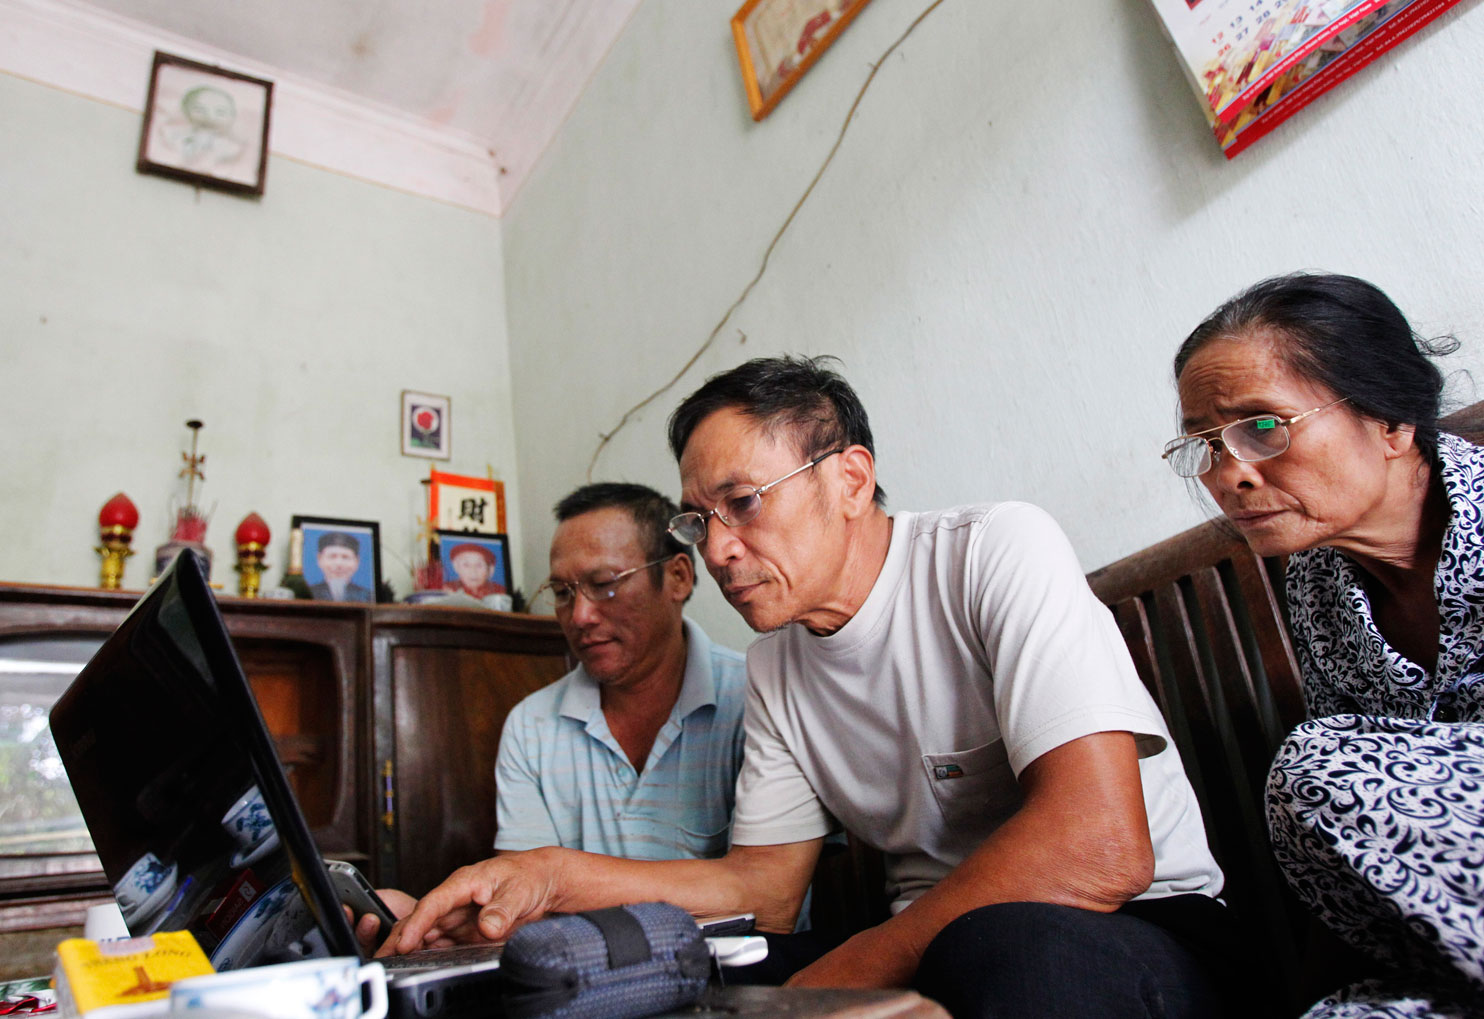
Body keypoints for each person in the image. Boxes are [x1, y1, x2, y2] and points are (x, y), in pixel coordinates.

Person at [382, 356, 1229, 1018]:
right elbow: (764, 892)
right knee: (670, 977)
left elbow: (1099, 844)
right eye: (699, 519)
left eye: (744, 502)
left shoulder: (993, 551)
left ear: (850, 479)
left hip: (1127, 923)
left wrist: (842, 976)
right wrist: (549, 874)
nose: (718, 550)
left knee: (1006, 952)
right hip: (926, 943)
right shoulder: (776, 663)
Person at [1166, 272, 1483, 1019]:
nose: (1230, 476)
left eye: (1263, 426)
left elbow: (1346, 786)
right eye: (1204, 446)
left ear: (1392, 421)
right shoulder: (1319, 581)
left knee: (1317, 764)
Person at [353, 482, 747, 949]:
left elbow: (772, 894)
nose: (579, 616)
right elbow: (522, 914)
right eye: (562, 592)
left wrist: (557, 880)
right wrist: (434, 922)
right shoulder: (532, 726)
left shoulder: (752, 698)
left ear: (678, 577)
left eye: (604, 584)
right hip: (580, 979)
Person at [309, 532, 371, 602]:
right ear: (319, 559)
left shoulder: (368, 596)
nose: (339, 564)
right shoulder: (308, 594)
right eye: (332, 556)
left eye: (345, 557)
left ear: (357, 561)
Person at [441, 542, 509, 600]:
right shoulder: (447, 589)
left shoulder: (501, 592)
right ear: (456, 567)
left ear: (491, 570)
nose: (473, 571)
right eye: (466, 565)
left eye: (479, 565)